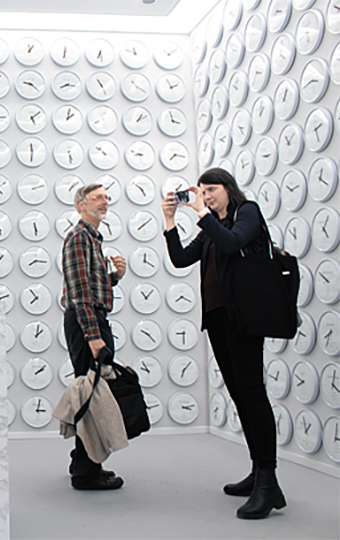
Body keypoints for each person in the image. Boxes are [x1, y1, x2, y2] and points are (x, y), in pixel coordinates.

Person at [162, 168, 285, 520]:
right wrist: (170, 221)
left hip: (244, 317)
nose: (206, 196)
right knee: (239, 393)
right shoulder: (212, 226)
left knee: (252, 392)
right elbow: (181, 259)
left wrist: (201, 213)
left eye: (211, 189)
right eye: (201, 191)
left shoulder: (247, 212)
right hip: (218, 318)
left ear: (228, 188)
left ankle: (268, 481)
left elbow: (234, 243)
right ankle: (258, 472)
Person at [61, 183, 127, 490]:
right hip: (87, 322)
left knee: (92, 393)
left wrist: (115, 277)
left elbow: (92, 286)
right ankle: (86, 474)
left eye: (106, 197)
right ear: (81, 205)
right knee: (93, 396)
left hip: (90, 319)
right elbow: (79, 292)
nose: (105, 201)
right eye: (97, 197)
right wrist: (93, 335)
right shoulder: (79, 237)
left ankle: (82, 462)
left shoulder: (91, 239)